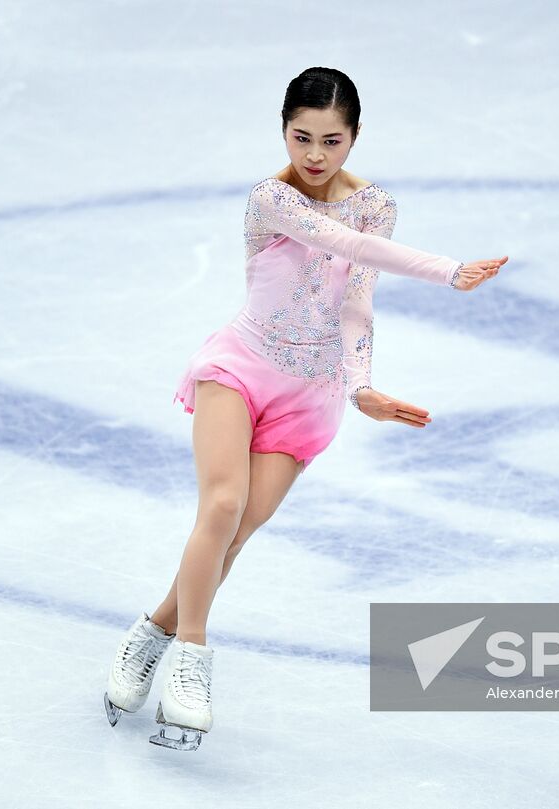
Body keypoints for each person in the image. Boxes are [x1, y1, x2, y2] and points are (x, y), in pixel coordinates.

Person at [104, 66, 506, 751]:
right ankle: (191, 660)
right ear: (283, 130)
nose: (315, 155)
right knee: (222, 506)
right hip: (242, 365)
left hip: (311, 393)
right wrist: (447, 268)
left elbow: (356, 299)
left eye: (331, 140)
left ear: (354, 138)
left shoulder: (376, 206)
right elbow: (340, 243)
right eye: (301, 137)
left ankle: (153, 630)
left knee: (238, 529)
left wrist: (361, 386)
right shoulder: (271, 198)